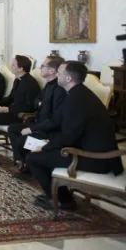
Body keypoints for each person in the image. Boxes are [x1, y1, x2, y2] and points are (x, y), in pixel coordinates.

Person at [27, 61, 124, 210]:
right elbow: (67, 128)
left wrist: (46, 146)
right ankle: (60, 195)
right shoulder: (77, 93)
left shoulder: (77, 99)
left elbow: (69, 136)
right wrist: (49, 141)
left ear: (68, 79)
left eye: (59, 73)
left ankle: (62, 200)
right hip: (86, 147)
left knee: (34, 158)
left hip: (96, 158)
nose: (56, 75)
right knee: (42, 151)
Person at [8, 56, 66, 171]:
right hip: (38, 122)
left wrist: (32, 129)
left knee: (20, 141)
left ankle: (31, 163)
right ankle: (22, 161)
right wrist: (41, 103)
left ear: (52, 70)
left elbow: (54, 119)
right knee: (13, 129)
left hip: (48, 130)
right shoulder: (48, 84)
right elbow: (37, 100)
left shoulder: (59, 89)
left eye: (43, 65)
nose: (40, 67)